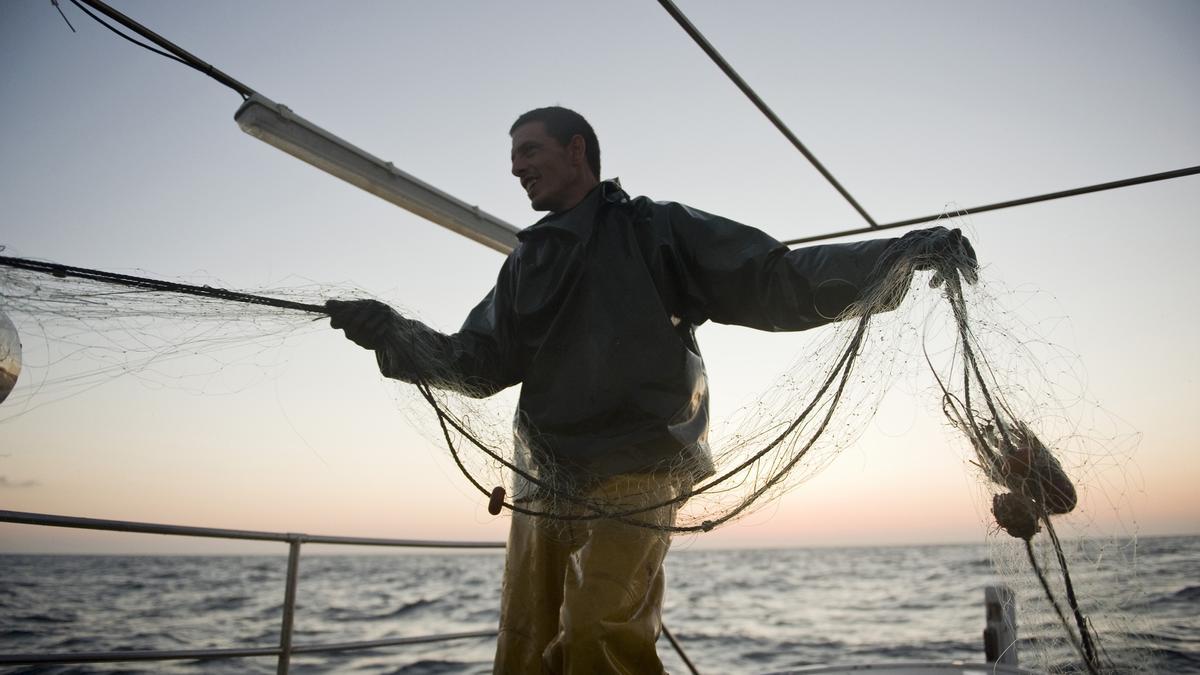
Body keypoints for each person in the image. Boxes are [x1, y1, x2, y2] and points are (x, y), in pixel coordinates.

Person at [326, 106, 976, 674]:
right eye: (512, 157)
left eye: (529, 150)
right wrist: (395, 333)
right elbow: (479, 360)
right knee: (526, 650)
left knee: (596, 631)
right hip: (543, 480)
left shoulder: (654, 230)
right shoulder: (525, 262)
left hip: (637, 467)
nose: (516, 168)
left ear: (577, 149)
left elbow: (773, 277)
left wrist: (896, 253)